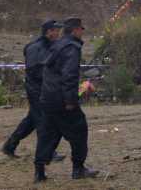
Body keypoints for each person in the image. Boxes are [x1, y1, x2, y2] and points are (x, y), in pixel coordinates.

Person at [34, 17, 99, 183]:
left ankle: (39, 172)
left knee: (48, 134)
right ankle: (78, 168)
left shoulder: (56, 45)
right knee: (79, 130)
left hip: (48, 98)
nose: (82, 32)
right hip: (62, 100)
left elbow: (49, 73)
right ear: (75, 30)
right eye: (81, 29)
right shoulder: (72, 48)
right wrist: (70, 100)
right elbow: (69, 75)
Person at [2, 19, 65, 162]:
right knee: (44, 120)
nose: (58, 33)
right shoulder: (35, 48)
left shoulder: (50, 46)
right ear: (49, 31)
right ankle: (48, 152)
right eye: (56, 30)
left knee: (31, 121)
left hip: (44, 89)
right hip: (36, 89)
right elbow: (33, 71)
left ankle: (10, 146)